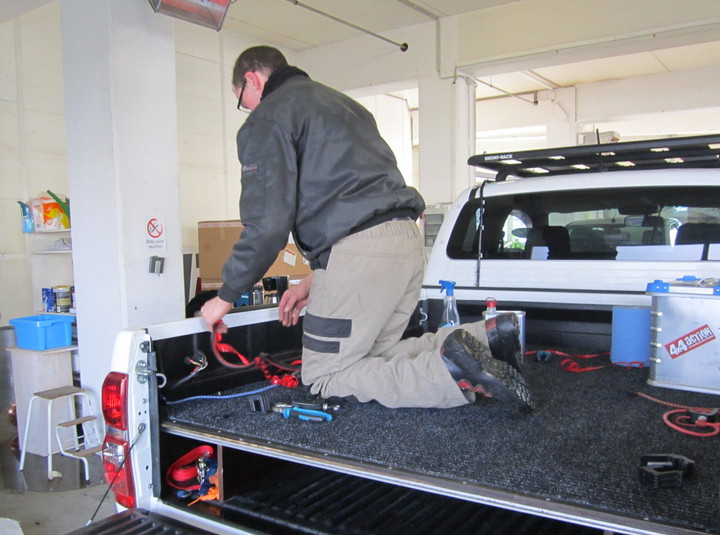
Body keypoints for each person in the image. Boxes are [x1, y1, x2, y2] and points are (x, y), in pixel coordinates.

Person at [199, 45, 532, 410]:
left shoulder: (268, 117)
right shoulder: (346, 106)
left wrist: (225, 297)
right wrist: (319, 276)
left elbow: (267, 225)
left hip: (359, 253)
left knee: (325, 375)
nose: (249, 110)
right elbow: (353, 197)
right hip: (405, 241)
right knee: (376, 353)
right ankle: (486, 339)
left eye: (243, 101)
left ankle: (449, 373)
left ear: (252, 79)